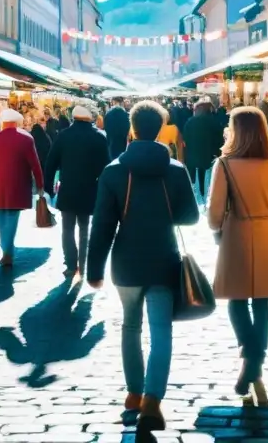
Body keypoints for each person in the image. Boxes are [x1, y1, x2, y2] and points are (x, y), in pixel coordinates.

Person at [87, 100, 199, 432]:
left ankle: (134, 393)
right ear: (162, 127)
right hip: (163, 258)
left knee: (131, 327)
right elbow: (191, 216)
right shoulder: (175, 169)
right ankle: (153, 399)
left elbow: (103, 226)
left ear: (132, 129)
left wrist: (94, 269)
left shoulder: (114, 171)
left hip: (126, 262)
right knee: (162, 331)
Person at [207, 106, 268, 407]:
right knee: (263, 301)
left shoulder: (224, 164)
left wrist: (220, 226)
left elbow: (213, 214)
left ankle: (249, 355)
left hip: (236, 233)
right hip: (267, 232)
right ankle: (255, 360)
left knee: (237, 300)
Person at [44, 105, 110, 279]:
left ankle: (71, 264)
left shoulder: (63, 135)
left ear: (73, 117)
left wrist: (48, 187)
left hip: (68, 188)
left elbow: (50, 163)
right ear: (90, 118)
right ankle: (82, 264)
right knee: (84, 228)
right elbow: (106, 168)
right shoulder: (99, 136)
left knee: (67, 228)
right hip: (90, 189)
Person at [0, 108, 45, 267]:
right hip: (19, 185)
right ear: (17, 122)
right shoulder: (26, 139)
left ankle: (6, 249)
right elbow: (35, 165)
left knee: (1, 217)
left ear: (2, 122)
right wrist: (40, 185)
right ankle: (7, 250)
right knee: (12, 218)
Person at [183, 98, 225, 202]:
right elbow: (219, 141)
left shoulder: (190, 122)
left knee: (196, 183)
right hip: (210, 158)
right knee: (209, 183)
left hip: (193, 158)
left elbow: (186, 140)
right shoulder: (214, 122)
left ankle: (199, 202)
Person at [104, 96, 131, 161]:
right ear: (122, 102)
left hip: (111, 140)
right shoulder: (125, 114)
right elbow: (127, 128)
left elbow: (106, 127)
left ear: (113, 102)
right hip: (122, 141)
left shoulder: (108, 113)